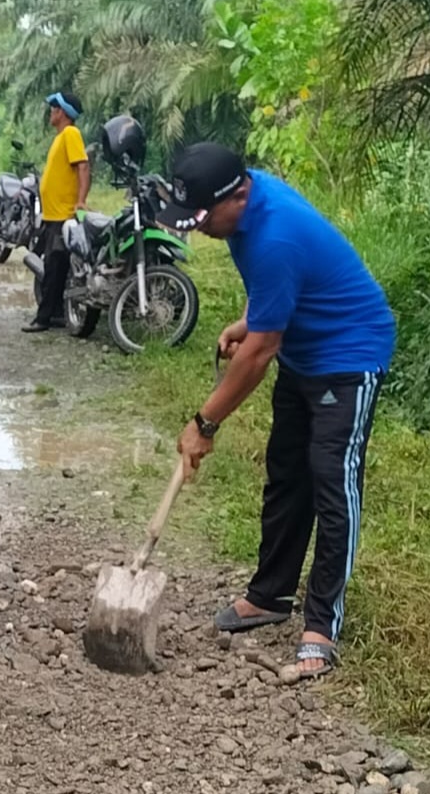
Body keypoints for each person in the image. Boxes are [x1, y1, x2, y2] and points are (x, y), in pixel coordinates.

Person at [161, 143, 395, 679]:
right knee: (287, 473)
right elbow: (272, 300)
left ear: (238, 197)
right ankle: (270, 596)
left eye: (201, 218)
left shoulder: (275, 234)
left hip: (349, 354)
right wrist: (249, 319)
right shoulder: (249, 203)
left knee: (332, 482)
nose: (196, 229)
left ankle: (321, 626)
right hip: (303, 348)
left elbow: (259, 356)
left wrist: (204, 424)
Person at [23, 91, 90, 333]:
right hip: (53, 215)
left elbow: (82, 166)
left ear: (61, 112)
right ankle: (57, 313)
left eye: (53, 108)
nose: (51, 112)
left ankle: (44, 318)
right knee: (56, 266)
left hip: (62, 214)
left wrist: (80, 201)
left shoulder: (70, 133)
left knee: (53, 267)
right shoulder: (61, 137)